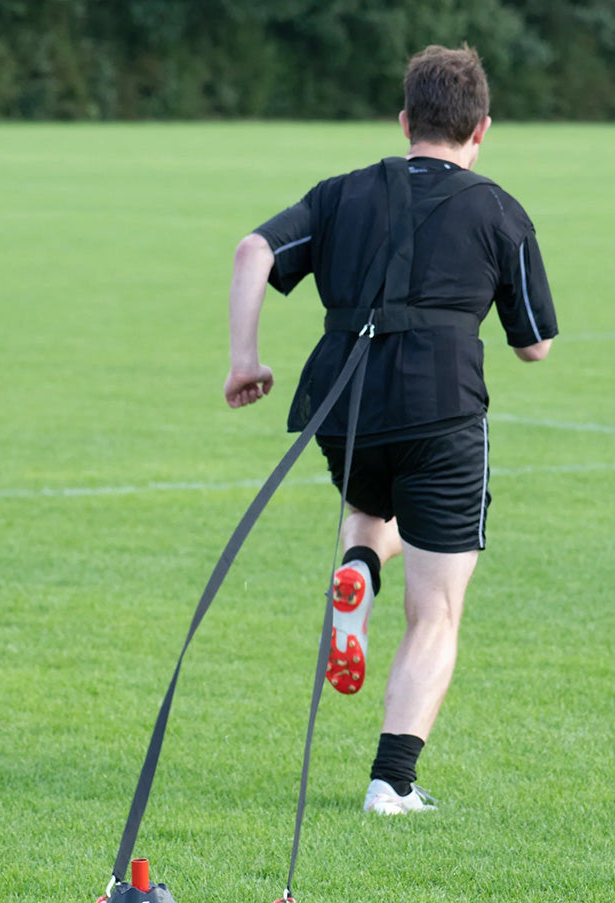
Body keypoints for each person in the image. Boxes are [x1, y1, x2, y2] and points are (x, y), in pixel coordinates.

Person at [224, 45, 558, 816]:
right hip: (440, 407)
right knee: (437, 606)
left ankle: (358, 572)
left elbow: (253, 251)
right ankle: (392, 783)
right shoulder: (497, 208)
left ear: (405, 121)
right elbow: (532, 343)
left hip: (342, 401)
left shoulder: (342, 193)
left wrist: (246, 360)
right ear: (481, 130)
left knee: (373, 512)